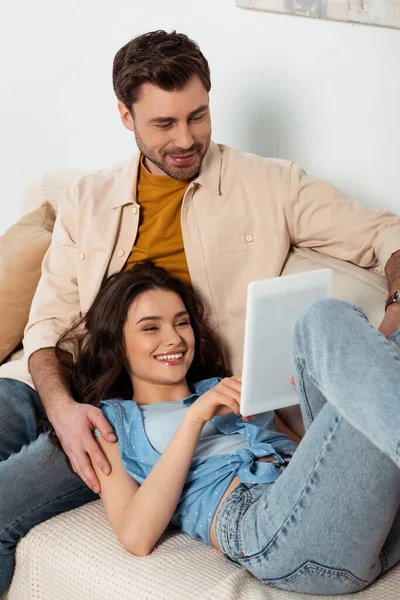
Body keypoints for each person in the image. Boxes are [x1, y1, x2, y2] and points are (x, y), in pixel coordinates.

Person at [1, 29, 400, 595]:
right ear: (126, 115)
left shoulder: (270, 185)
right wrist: (62, 411)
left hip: (151, 414)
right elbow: (45, 325)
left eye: (199, 116)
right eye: (164, 124)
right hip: (74, 402)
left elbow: (387, 234)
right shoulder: (86, 201)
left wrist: (393, 307)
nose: (187, 139)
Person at [50, 260, 399, 595]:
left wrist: (323, 388)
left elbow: (310, 459)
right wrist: (194, 419)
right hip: (274, 536)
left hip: (361, 522)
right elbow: (136, 537)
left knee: (331, 317)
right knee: (321, 316)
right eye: (151, 327)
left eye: (181, 322)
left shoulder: (231, 387)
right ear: (116, 343)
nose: (173, 339)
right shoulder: (112, 421)